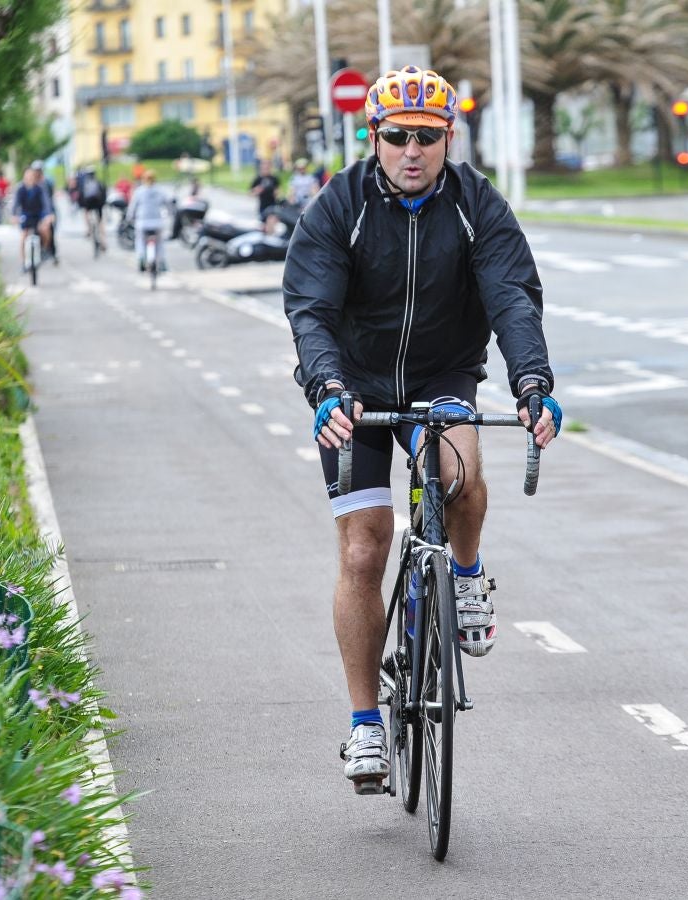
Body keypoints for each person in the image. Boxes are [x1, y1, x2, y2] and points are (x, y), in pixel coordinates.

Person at [282, 65, 561, 792]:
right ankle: (365, 727)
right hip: (351, 387)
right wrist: (327, 385)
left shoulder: (477, 204)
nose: (413, 150)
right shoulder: (337, 206)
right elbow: (309, 307)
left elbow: (511, 298)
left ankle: (464, 579)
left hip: (442, 376)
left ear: (448, 138)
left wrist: (532, 382)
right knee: (363, 549)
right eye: (398, 136)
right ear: (372, 136)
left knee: (460, 475)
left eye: (428, 137)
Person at [126, 170, 173, 272]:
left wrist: (129, 218)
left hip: (142, 222)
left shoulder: (139, 191)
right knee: (160, 243)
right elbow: (168, 204)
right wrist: (170, 214)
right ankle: (161, 261)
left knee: (140, 241)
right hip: (157, 222)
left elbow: (132, 207)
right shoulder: (160, 191)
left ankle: (141, 258)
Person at [12, 166, 55, 271]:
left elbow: (46, 203)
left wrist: (49, 215)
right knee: (23, 237)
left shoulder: (40, 188)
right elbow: (15, 204)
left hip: (38, 214)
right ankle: (24, 262)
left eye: (31, 175)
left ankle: (44, 249)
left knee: (45, 229)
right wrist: (14, 216)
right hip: (26, 215)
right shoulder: (20, 189)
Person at [76, 166, 108, 250]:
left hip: (88, 205)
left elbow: (81, 196)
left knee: (86, 214)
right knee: (100, 222)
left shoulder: (85, 184)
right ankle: (103, 241)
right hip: (98, 205)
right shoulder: (99, 182)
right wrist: (103, 204)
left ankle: (89, 230)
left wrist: (82, 205)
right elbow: (104, 193)